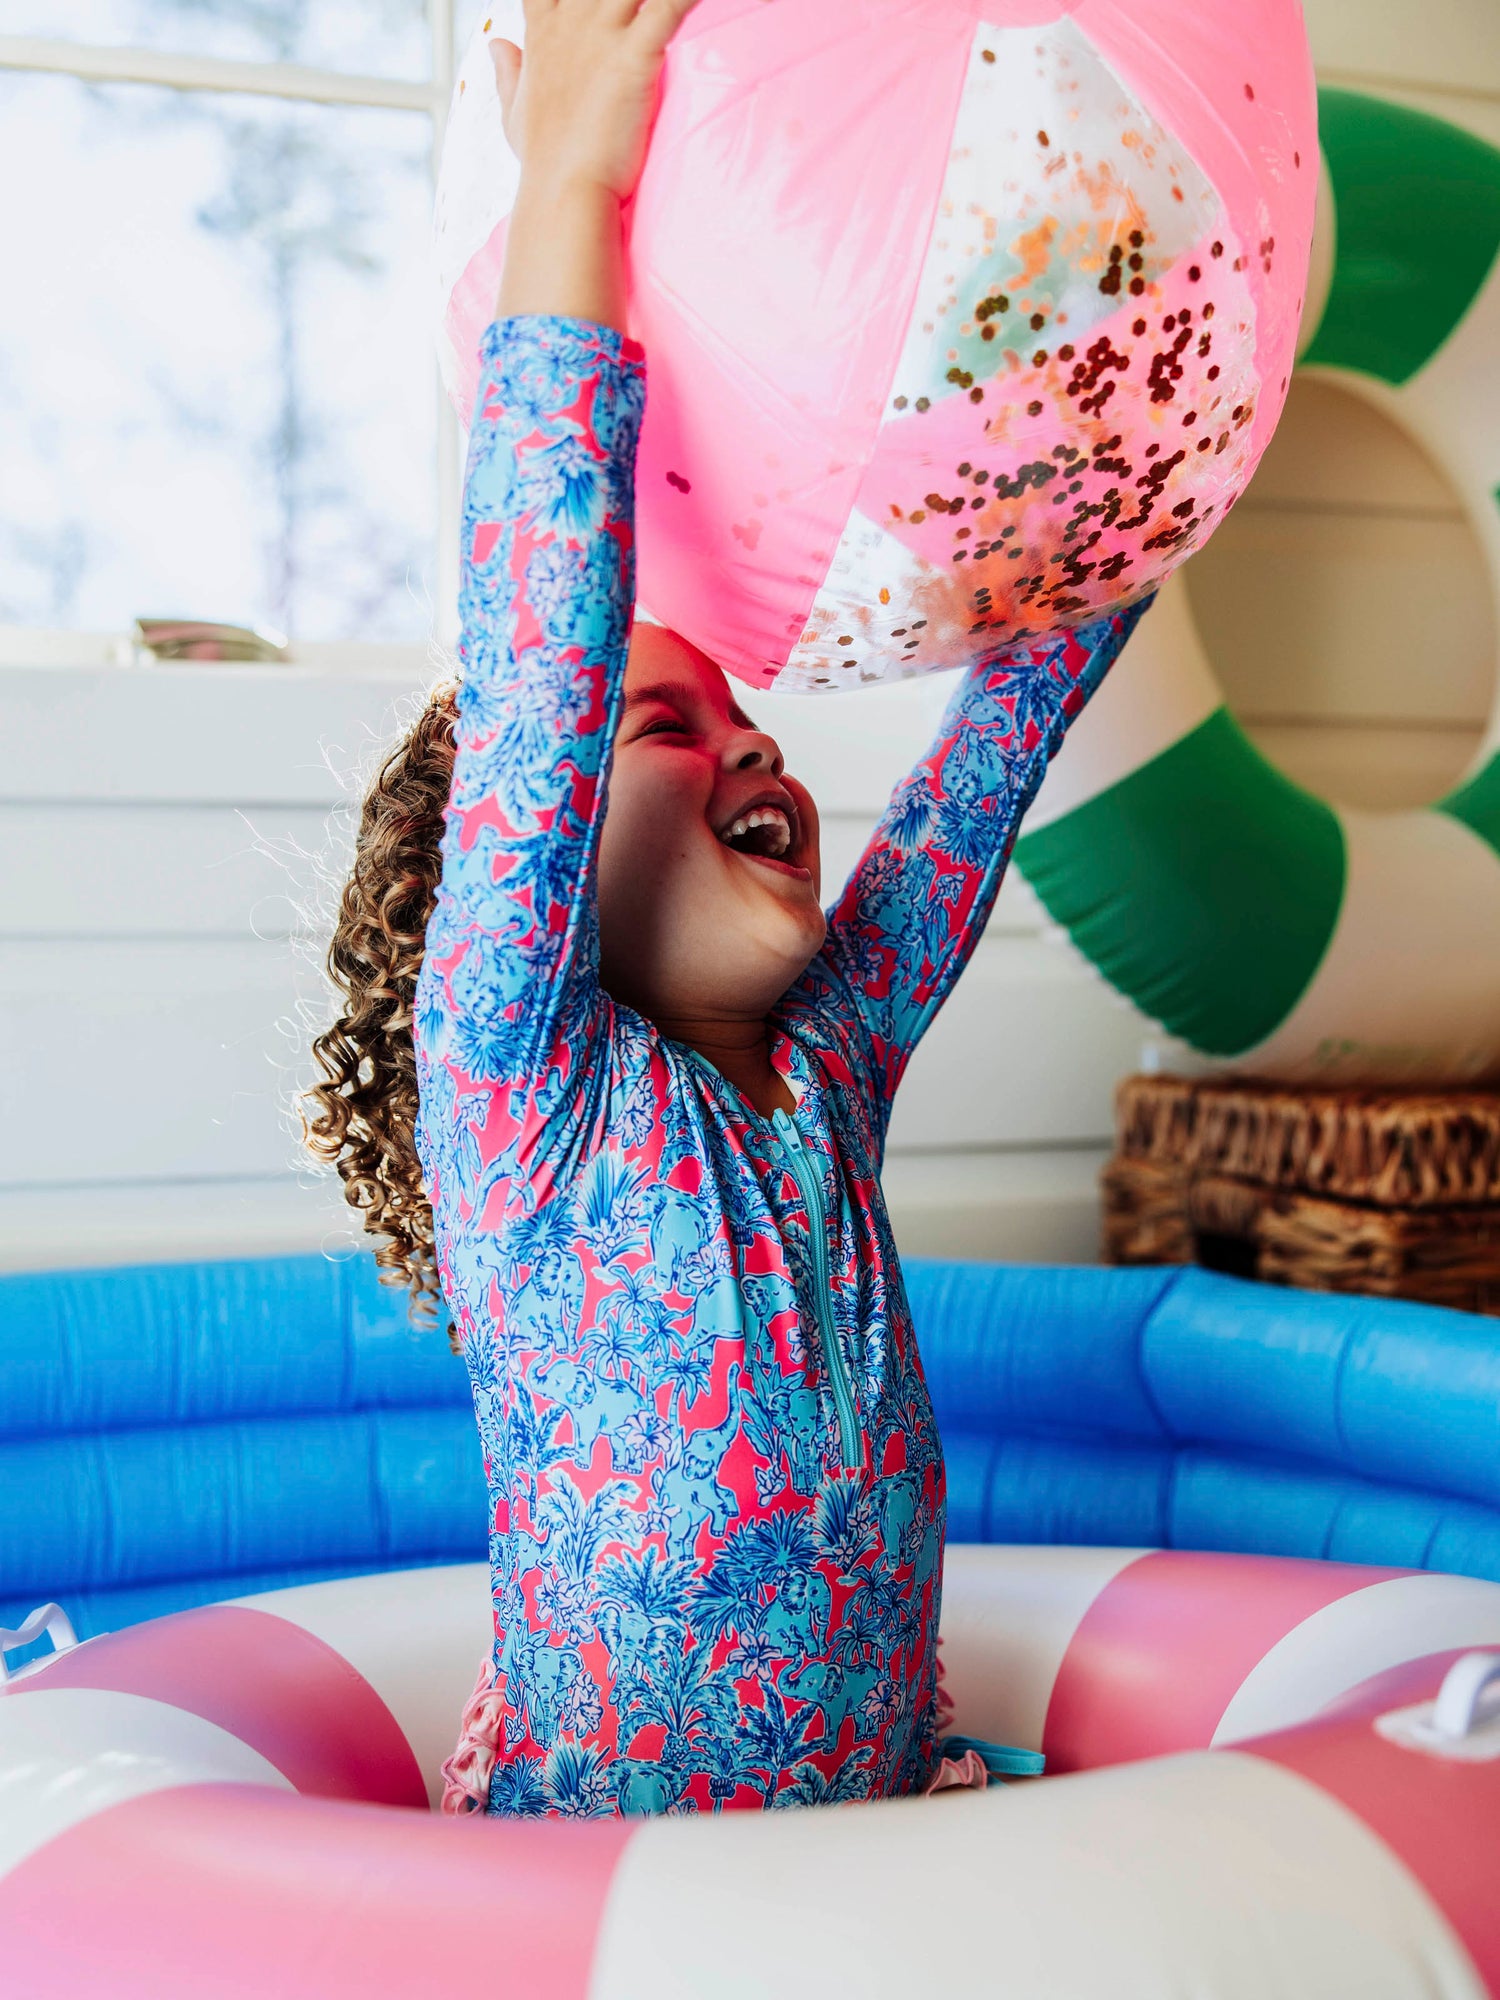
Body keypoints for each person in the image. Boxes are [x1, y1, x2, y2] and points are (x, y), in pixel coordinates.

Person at [305, 0, 1150, 1819]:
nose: (752, 739)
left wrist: (1139, 423)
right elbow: (541, 655)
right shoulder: (526, 1100)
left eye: (743, 713)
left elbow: (995, 755)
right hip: (609, 1890)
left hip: (872, 1835)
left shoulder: (824, 1068)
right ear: (527, 865)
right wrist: (576, 180)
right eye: (665, 726)